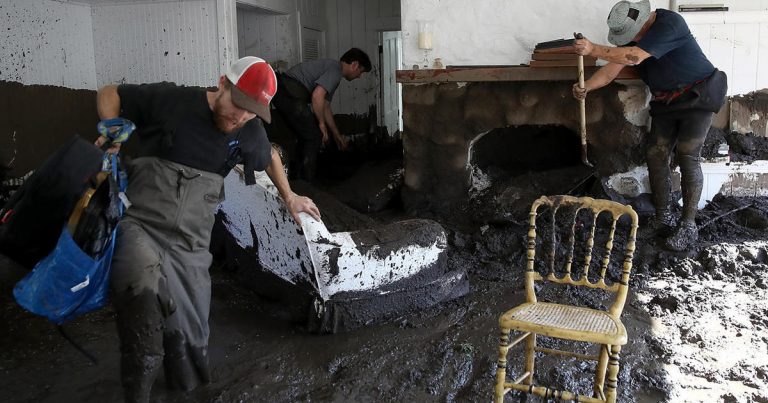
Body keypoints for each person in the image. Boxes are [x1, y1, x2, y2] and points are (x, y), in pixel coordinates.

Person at [94, 56, 321, 402]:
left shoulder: (249, 131)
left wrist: (289, 196)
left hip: (192, 245)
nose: (240, 117)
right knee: (141, 313)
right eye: (239, 105)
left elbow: (270, 155)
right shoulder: (171, 100)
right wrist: (113, 132)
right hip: (141, 226)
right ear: (222, 84)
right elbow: (110, 93)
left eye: (251, 112)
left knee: (192, 349)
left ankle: (184, 387)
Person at [572, 0, 726, 251]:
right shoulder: (634, 38)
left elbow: (633, 57)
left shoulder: (670, 23)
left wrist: (592, 49)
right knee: (655, 154)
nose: (633, 40)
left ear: (644, 19)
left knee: (687, 156)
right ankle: (662, 217)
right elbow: (611, 71)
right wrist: (586, 87)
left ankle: (688, 226)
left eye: (634, 34)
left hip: (700, 94)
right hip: (666, 100)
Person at [271, 47, 372, 181]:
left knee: (308, 135)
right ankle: (306, 181)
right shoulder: (335, 71)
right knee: (313, 136)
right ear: (354, 65)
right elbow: (317, 97)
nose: (359, 76)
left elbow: (325, 106)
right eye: (361, 72)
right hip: (289, 92)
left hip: (288, 92)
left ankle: (299, 176)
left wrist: (336, 135)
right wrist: (322, 124)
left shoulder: (334, 71)